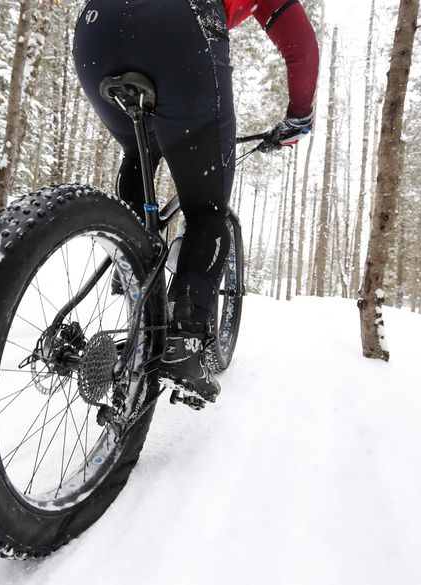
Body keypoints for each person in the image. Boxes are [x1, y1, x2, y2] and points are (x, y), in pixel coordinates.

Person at [72, 0, 319, 403]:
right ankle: (183, 341)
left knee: (140, 153)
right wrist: (298, 116)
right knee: (206, 210)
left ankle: (128, 264)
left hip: (94, 29)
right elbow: (302, 46)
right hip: (180, 24)